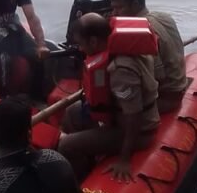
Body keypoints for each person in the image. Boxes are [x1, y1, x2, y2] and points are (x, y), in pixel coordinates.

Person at [58, 12, 159, 182]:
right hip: (116, 117)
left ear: (93, 41)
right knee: (70, 113)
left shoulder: (120, 70)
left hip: (137, 132)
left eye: (81, 44)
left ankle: (80, 185)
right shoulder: (119, 48)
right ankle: (89, 158)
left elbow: (134, 116)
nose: (80, 49)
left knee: (65, 145)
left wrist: (124, 159)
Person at [107, 0, 187, 113]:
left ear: (135, 4)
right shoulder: (164, 17)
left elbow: (156, 77)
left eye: (119, 8)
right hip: (178, 86)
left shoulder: (139, 35)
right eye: (113, 8)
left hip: (165, 97)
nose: (113, 14)